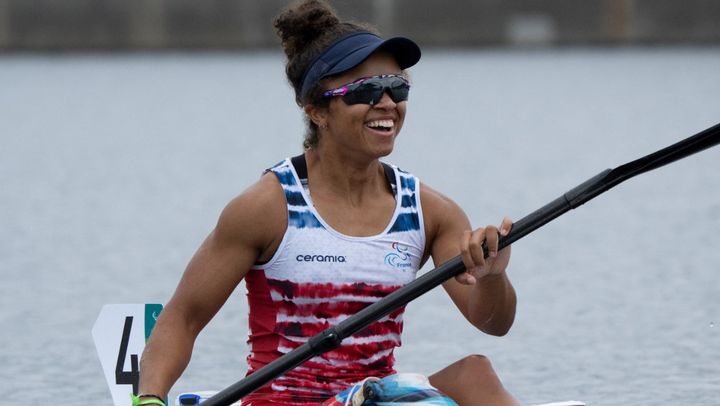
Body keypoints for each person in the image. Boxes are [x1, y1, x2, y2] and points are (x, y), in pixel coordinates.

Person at [136, 1, 519, 405]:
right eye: (367, 90)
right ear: (317, 110)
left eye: (398, 87)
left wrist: (493, 276)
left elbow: (492, 322)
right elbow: (182, 318)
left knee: (476, 372)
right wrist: (149, 398)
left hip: (372, 396)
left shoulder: (429, 212)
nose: (388, 102)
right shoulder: (266, 208)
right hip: (284, 401)